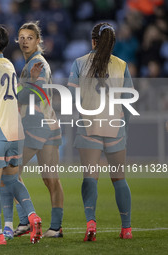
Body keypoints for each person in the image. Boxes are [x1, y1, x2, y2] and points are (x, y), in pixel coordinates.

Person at [0, 25, 42, 245]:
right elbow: (17, 96)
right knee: (12, 180)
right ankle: (33, 216)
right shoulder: (9, 65)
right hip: (16, 133)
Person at [67, 22, 133, 241]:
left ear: (93, 41)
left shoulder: (79, 63)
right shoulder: (122, 65)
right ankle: (126, 229)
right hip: (115, 126)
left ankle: (91, 223)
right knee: (119, 179)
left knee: (90, 178)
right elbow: (128, 100)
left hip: (89, 126)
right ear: (112, 43)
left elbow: (72, 98)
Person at [11, 21, 64, 239]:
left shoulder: (37, 64)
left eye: (29, 38)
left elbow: (32, 94)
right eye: (21, 37)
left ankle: (25, 221)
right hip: (49, 125)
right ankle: (56, 227)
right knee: (51, 179)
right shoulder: (34, 63)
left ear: (38, 40)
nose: (24, 41)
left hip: (35, 126)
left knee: (11, 172)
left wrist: (18, 90)